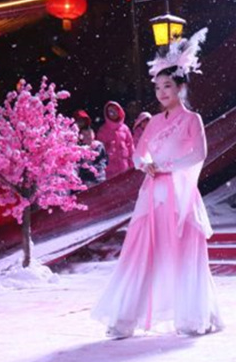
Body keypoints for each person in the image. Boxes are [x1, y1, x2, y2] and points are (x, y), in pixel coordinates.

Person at [91, 28, 222, 339]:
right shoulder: (153, 122)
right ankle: (125, 319)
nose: (162, 92)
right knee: (140, 251)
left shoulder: (192, 120)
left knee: (185, 253)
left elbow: (199, 154)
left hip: (180, 193)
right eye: (158, 87)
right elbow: (139, 154)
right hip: (152, 194)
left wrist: (165, 166)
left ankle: (192, 316)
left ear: (181, 87)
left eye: (168, 86)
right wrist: (145, 164)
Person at [96, 101, 135, 179]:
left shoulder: (125, 128)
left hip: (124, 166)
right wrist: (109, 147)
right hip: (110, 168)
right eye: (110, 111)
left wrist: (133, 163)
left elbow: (131, 146)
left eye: (115, 111)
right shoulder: (103, 130)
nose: (113, 113)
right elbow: (99, 150)